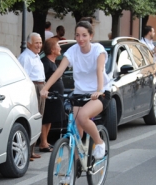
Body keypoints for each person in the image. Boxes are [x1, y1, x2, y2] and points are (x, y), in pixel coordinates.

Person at [40, 20, 111, 160]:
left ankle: (99, 142)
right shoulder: (73, 50)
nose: (80, 39)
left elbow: (99, 69)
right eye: (77, 35)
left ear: (91, 36)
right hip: (79, 93)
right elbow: (60, 70)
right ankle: (77, 160)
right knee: (76, 125)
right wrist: (45, 89)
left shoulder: (98, 49)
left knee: (82, 117)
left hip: (100, 93)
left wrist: (98, 90)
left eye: (84, 35)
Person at [18, 32, 46, 161]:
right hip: (33, 87)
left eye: (40, 43)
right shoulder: (25, 57)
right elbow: (24, 77)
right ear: (29, 44)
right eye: (36, 43)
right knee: (33, 117)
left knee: (39, 117)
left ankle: (31, 150)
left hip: (40, 87)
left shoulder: (36, 56)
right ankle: (27, 151)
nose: (39, 45)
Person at [38, 36, 65, 152]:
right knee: (46, 119)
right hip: (49, 96)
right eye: (58, 46)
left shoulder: (53, 62)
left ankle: (46, 141)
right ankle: (43, 142)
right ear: (53, 50)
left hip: (55, 97)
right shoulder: (45, 63)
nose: (60, 49)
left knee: (50, 119)